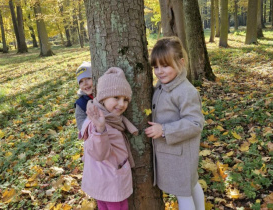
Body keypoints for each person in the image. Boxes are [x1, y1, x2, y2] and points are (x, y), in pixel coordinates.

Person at [145, 36, 205, 210]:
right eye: (156, 67)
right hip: (172, 154)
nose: (159, 71)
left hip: (180, 155)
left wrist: (164, 130)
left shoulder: (185, 91)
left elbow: (195, 123)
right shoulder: (164, 85)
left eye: (165, 66)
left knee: (183, 193)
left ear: (181, 62)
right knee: (191, 186)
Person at [79, 67, 138, 210]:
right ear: (103, 98)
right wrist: (100, 130)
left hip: (103, 180)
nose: (122, 104)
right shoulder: (99, 122)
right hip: (110, 180)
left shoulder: (108, 117)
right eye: (116, 98)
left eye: (125, 100)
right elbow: (99, 153)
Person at [74, 61, 93, 131]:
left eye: (88, 78)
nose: (85, 83)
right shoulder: (81, 103)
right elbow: (81, 126)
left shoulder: (103, 94)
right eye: (81, 81)